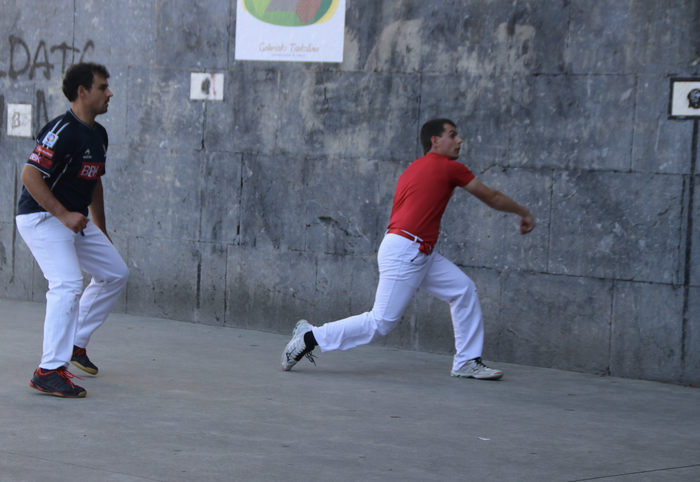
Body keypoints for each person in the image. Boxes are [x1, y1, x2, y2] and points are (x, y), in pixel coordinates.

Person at [281, 118, 535, 379]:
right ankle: (310, 336)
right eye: (452, 135)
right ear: (435, 141)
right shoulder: (450, 168)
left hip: (415, 250)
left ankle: (467, 361)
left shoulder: (414, 168)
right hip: (407, 250)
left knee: (463, 289)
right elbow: (491, 197)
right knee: (381, 322)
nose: (459, 140)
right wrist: (524, 212)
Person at [15, 62, 129, 398]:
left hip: (73, 219)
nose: (109, 93)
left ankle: (75, 343)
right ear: (82, 92)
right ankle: (49, 370)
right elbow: (29, 176)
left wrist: (102, 230)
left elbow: (94, 182)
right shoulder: (62, 131)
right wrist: (64, 215)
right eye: (102, 87)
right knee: (65, 284)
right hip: (41, 217)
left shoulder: (99, 134)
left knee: (115, 272)